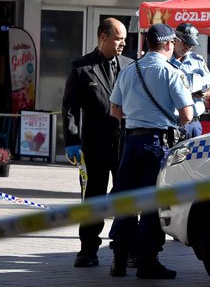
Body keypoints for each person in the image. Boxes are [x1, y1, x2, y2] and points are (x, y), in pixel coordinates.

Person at [108, 23, 193, 279]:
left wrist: (136, 115)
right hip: (157, 144)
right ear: (168, 44)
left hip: (130, 142)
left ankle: (119, 260)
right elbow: (187, 114)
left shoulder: (128, 70)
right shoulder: (171, 72)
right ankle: (146, 262)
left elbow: (114, 110)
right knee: (152, 204)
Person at [61, 17, 133, 268]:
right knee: (94, 197)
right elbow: (70, 108)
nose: (123, 43)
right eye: (119, 38)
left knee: (127, 196)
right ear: (103, 37)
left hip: (125, 144)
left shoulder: (130, 66)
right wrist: (72, 140)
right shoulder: (81, 68)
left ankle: (126, 248)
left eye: (125, 39)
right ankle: (88, 249)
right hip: (95, 145)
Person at [170, 23, 210, 138]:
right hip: (172, 123)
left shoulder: (197, 60)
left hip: (194, 124)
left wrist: (204, 94)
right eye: (185, 43)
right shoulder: (165, 61)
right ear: (175, 39)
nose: (188, 47)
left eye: (191, 45)